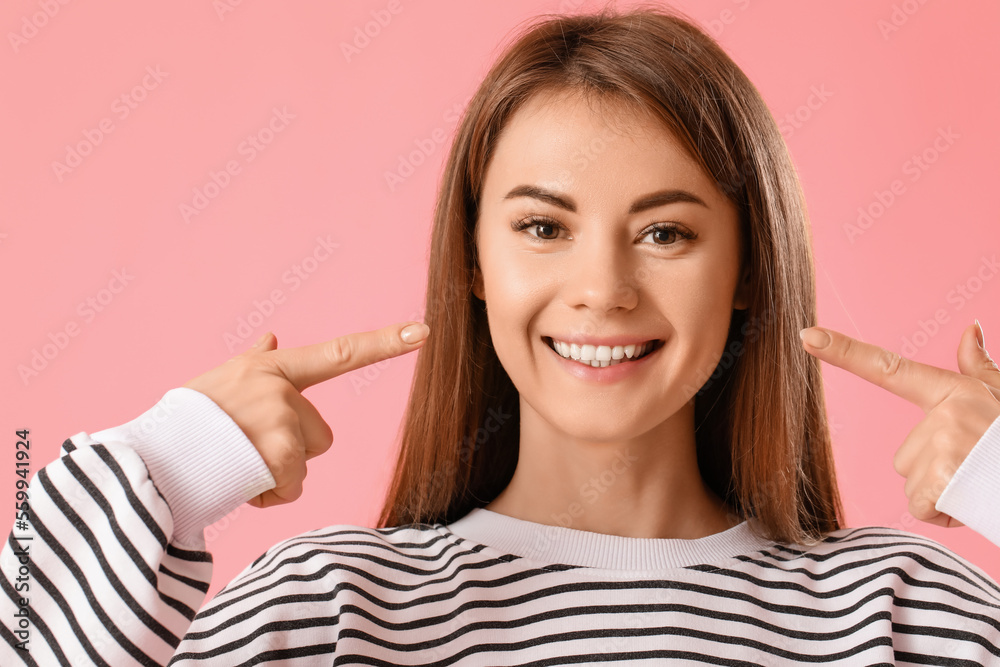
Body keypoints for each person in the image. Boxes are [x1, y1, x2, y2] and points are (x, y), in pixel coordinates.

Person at [4, 4, 1000, 665]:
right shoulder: (331, 610)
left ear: (746, 270)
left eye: (664, 231)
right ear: (475, 263)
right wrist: (168, 464)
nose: (601, 289)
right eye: (543, 227)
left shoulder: (901, 614)